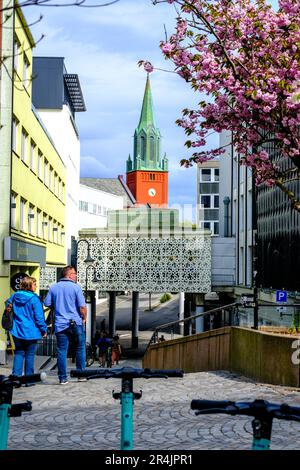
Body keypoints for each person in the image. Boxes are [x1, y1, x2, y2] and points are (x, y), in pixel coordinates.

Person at [44, 266, 87, 384]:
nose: (76, 275)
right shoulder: (76, 288)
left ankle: (62, 378)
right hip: (75, 323)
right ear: (69, 275)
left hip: (60, 324)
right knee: (80, 347)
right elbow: (82, 307)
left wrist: (58, 304)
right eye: (74, 273)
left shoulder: (54, 287)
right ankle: (81, 375)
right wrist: (84, 318)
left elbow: (47, 303)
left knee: (62, 350)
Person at [6, 276, 47, 384]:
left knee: (19, 353)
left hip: (17, 330)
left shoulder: (15, 296)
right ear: (29, 285)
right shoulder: (34, 299)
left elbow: (7, 306)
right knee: (29, 355)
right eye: (34, 284)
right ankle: (29, 380)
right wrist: (44, 330)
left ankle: (15, 378)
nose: (36, 286)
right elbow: (39, 318)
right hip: (31, 331)